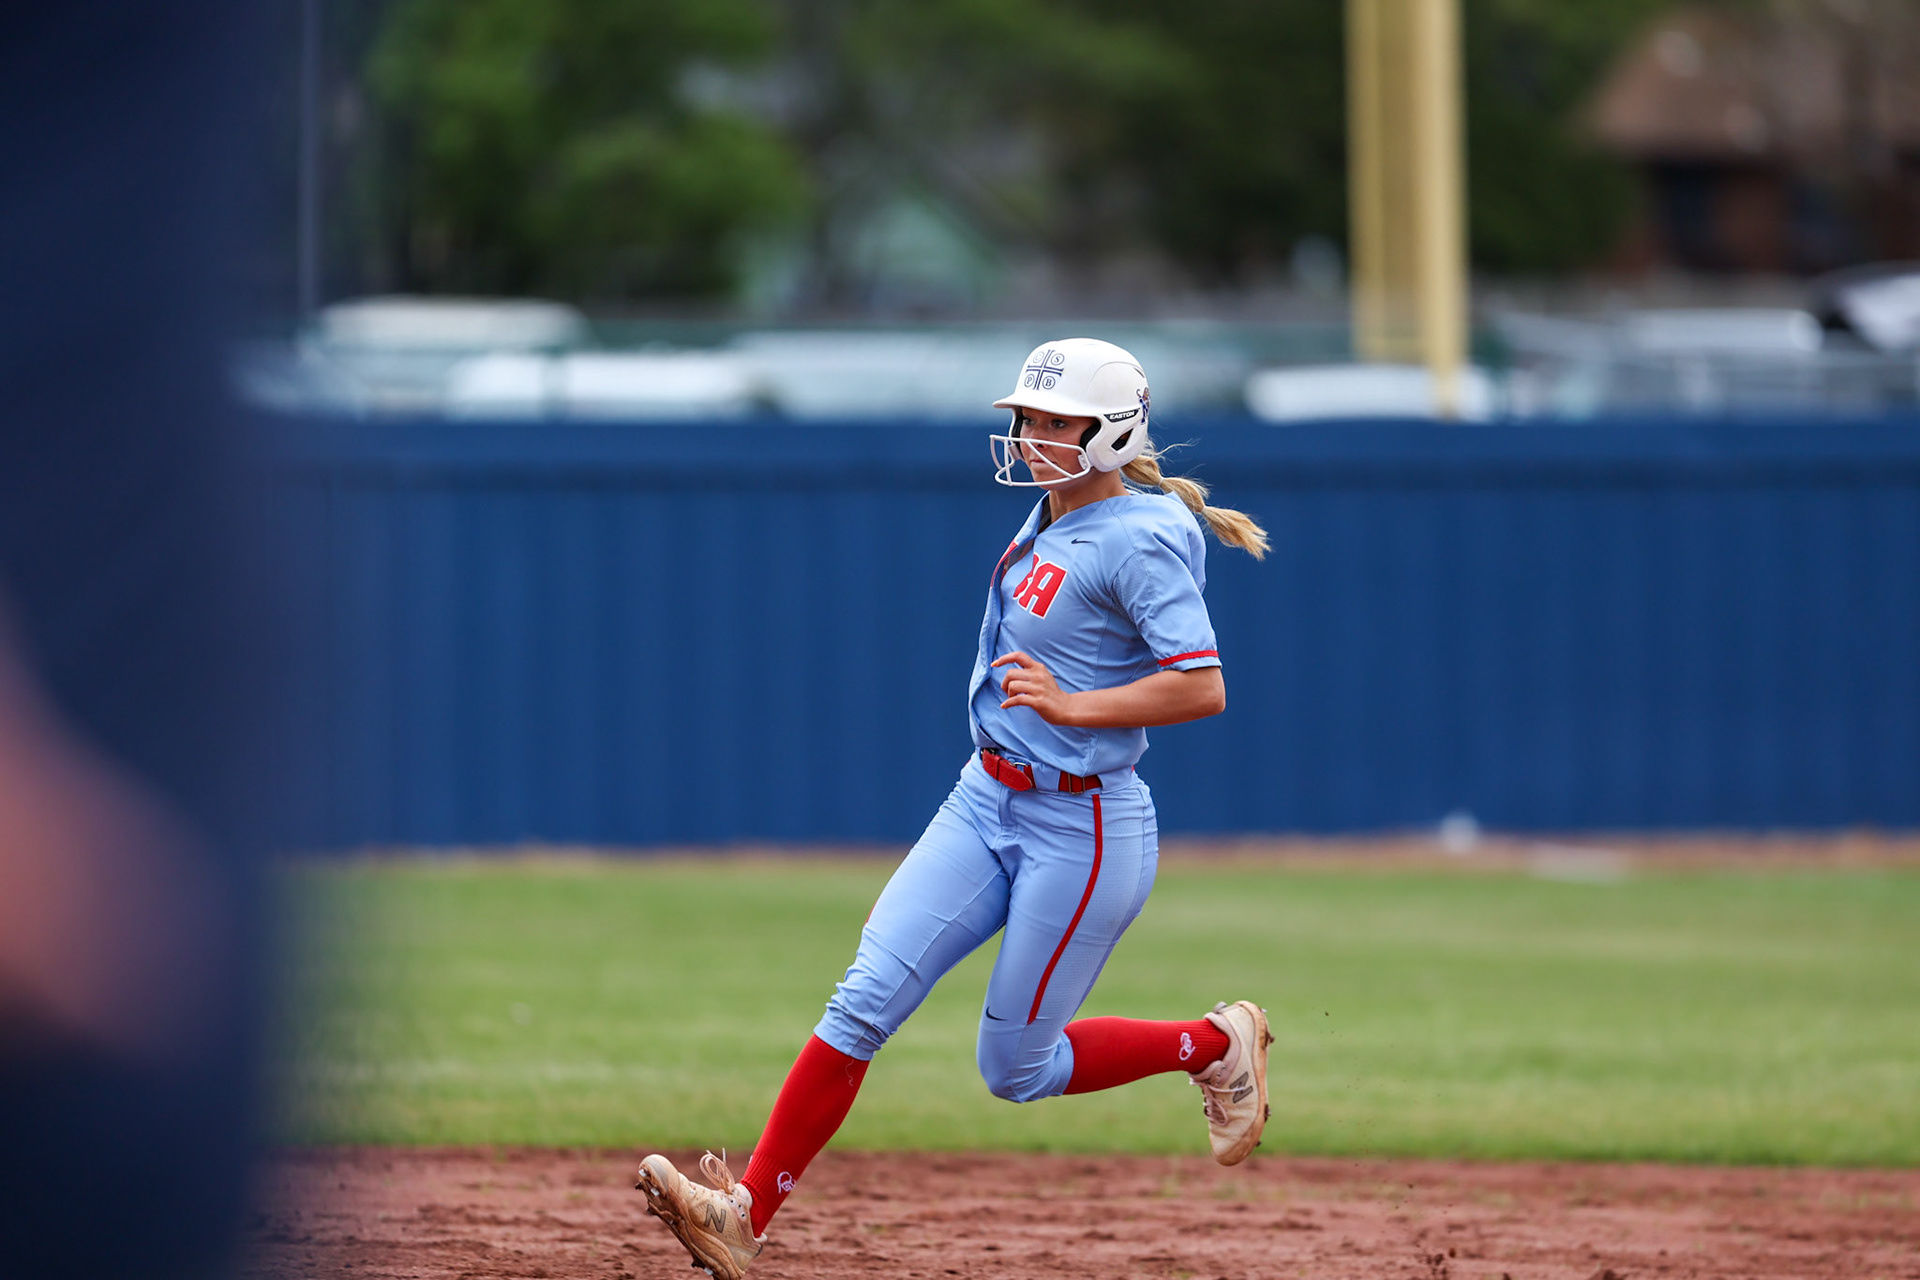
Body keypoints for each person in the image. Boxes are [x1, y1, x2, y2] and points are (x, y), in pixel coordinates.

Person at [635, 338, 1273, 1279]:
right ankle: (743, 1217)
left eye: (1057, 423)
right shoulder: (1052, 516)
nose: (1031, 437)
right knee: (862, 999)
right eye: (1028, 419)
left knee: (1014, 1070)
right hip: (986, 799)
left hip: (1082, 826)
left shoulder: (1139, 534)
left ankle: (1214, 1045)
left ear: (1114, 431)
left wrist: (1071, 705)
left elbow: (1201, 685)